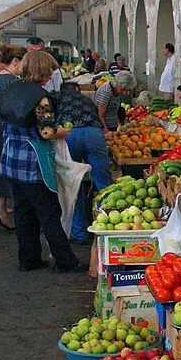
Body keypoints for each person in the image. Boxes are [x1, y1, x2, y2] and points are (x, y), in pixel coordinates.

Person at [0, 50, 79, 272]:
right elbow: (46, 132)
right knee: (49, 212)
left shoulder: (10, 89)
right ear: (43, 72)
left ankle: (29, 259)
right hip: (32, 162)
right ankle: (64, 261)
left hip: (11, 158)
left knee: (24, 212)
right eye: (50, 72)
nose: (50, 76)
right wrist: (62, 132)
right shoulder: (40, 97)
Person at [56, 83, 112, 243]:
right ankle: (111, 226)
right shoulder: (86, 100)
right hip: (94, 134)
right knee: (104, 184)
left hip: (69, 135)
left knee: (72, 183)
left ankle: (79, 233)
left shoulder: (56, 98)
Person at [0, 43, 26, 231]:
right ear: (16, 61)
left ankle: (2, 211)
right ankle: (9, 213)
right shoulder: (12, 82)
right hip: (8, 130)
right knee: (12, 172)